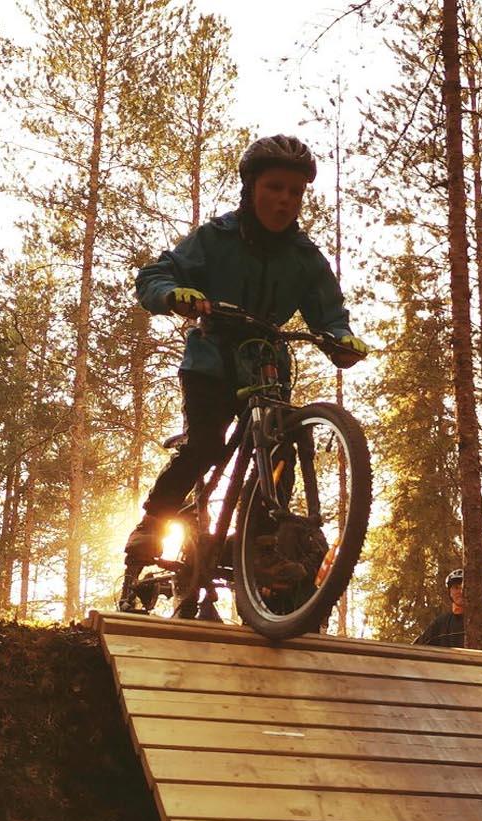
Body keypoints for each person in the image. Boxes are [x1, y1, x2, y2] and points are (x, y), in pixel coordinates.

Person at [123, 134, 371, 562]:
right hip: (212, 357)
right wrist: (172, 294)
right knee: (205, 443)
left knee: (281, 447)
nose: (285, 200)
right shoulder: (215, 239)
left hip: (266, 363)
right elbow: (156, 274)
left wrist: (339, 339)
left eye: (295, 192)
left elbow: (328, 311)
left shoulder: (305, 257)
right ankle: (154, 519)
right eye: (275, 187)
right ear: (251, 187)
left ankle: (262, 537)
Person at [416, 568, 482, 651]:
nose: (460, 591)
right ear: (450, 592)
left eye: (464, 587)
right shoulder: (441, 623)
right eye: (456, 588)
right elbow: (417, 648)